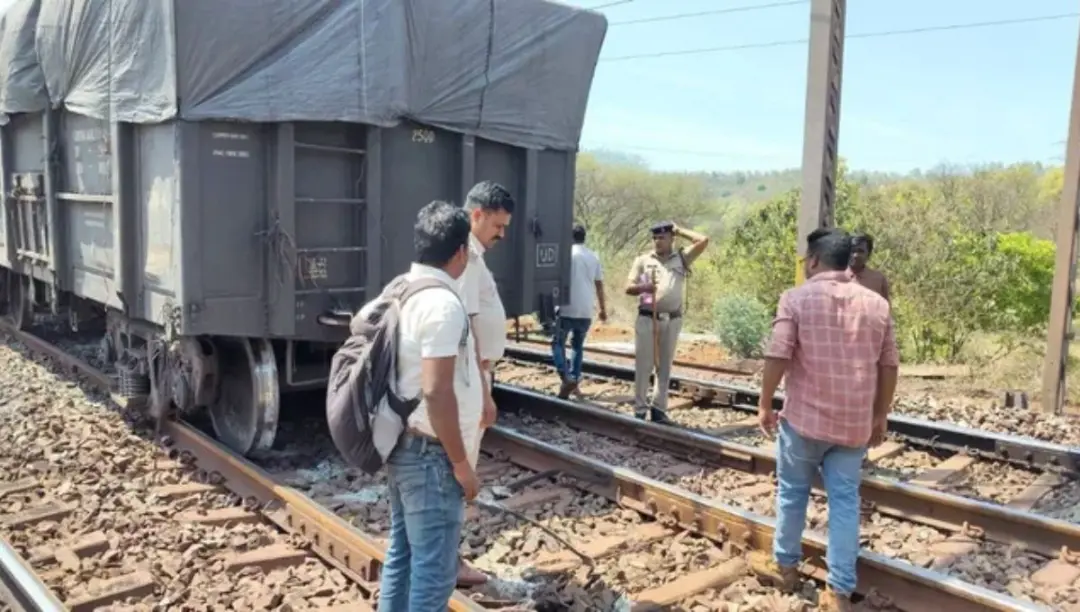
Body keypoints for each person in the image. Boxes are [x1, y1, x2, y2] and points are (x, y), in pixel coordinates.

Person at [752, 228, 900, 612]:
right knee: (846, 502)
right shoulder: (876, 305)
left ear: (814, 260)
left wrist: (765, 402)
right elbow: (889, 365)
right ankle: (838, 591)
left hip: (803, 422)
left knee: (792, 493)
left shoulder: (795, 298)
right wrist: (880, 415)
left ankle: (785, 567)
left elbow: (778, 353)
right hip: (854, 427)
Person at [377, 201, 484, 612]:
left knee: (403, 556)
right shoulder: (442, 303)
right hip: (430, 457)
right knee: (434, 572)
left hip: (404, 446)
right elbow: (437, 392)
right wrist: (461, 464)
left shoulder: (401, 287)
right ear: (459, 252)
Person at [456, 180, 514, 586]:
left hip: (474, 374)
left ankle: (445, 558)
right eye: (497, 225)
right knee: (459, 472)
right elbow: (466, 326)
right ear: (477, 215)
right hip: (469, 378)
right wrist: (484, 392)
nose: (502, 234)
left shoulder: (470, 253)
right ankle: (450, 562)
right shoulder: (466, 257)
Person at [624, 221, 709, 424]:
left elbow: (703, 240)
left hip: (671, 320)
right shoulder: (643, 260)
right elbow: (628, 287)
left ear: (672, 239)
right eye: (655, 238)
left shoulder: (681, 258)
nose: (657, 241)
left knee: (664, 367)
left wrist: (678, 229)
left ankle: (659, 410)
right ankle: (639, 410)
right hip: (647, 318)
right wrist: (644, 287)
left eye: (662, 237)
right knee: (644, 366)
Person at [553, 223, 607, 399]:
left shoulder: (566, 254)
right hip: (586, 309)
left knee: (558, 343)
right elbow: (599, 284)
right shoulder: (593, 257)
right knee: (577, 345)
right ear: (584, 237)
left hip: (566, 306)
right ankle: (574, 380)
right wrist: (602, 309)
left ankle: (566, 376)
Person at [847, 232, 890, 301]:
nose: (855, 255)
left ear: (868, 254)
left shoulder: (878, 279)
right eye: (852, 251)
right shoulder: (835, 278)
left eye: (861, 251)